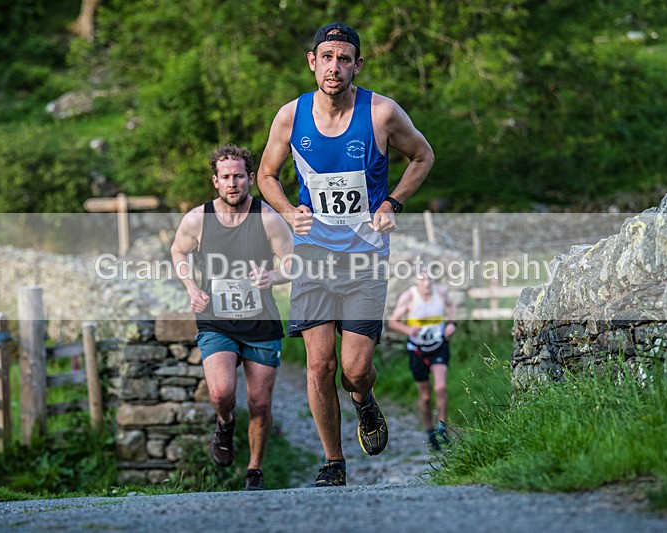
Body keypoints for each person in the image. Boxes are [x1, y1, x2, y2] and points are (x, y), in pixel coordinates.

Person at [256, 22, 434, 486]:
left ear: (358, 65)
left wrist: (392, 203)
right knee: (320, 364)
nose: (334, 67)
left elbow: (423, 155)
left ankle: (363, 399)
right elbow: (266, 175)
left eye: (344, 58)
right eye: (327, 57)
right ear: (312, 62)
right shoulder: (290, 116)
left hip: (364, 258)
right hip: (313, 256)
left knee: (354, 370)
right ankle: (333, 462)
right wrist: (288, 212)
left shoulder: (381, 112)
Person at [171, 144, 293, 491]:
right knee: (221, 392)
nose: (232, 183)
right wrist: (191, 287)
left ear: (250, 178)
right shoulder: (197, 219)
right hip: (216, 319)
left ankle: (255, 470)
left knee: (260, 403)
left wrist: (273, 276)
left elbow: (293, 263)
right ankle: (225, 422)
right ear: (215, 181)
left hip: (261, 322)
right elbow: (178, 250)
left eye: (238, 176)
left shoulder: (267, 218)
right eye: (225, 177)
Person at [387, 265, 457, 450]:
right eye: (422, 279)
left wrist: (452, 323)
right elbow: (393, 322)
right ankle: (430, 430)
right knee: (425, 397)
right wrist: (408, 330)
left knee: (440, 387)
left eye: (429, 279)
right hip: (417, 350)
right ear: (415, 280)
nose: (426, 283)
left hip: (439, 347)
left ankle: (443, 428)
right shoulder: (409, 297)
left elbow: (451, 306)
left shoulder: (441, 293)